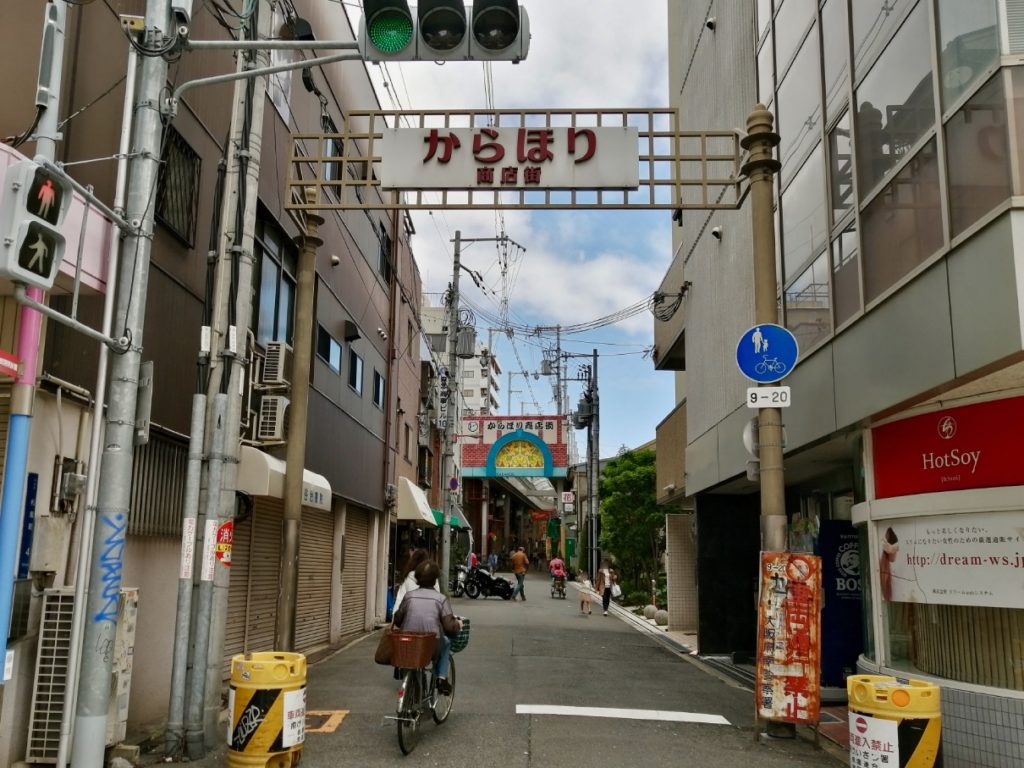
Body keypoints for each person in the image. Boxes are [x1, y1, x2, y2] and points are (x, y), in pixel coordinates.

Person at [392, 560, 462, 694]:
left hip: (408, 644)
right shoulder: (440, 599)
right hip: (430, 645)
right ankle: (441, 678)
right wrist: (457, 624)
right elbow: (448, 626)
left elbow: (398, 620)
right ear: (435, 579)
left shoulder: (409, 597)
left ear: (417, 578)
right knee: (446, 643)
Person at [392, 548, 437, 616]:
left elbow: (399, 601)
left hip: (410, 620)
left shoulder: (407, 579)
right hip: (430, 619)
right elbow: (438, 602)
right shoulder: (433, 578)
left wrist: (394, 619)